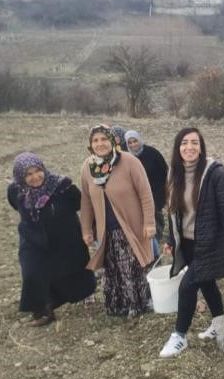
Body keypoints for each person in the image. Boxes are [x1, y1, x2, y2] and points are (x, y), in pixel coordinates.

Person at [160, 128, 224, 358]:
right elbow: (173, 211)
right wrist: (169, 239)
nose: (190, 147)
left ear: (201, 147)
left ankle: (179, 336)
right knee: (206, 283)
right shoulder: (173, 174)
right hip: (186, 242)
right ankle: (219, 322)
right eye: (184, 143)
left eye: (195, 142)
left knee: (187, 286)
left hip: (210, 243)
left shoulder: (215, 173)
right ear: (178, 148)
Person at [7, 153, 96, 327]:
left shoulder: (62, 186)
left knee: (70, 269)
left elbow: (81, 204)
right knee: (32, 272)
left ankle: (82, 295)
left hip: (65, 237)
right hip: (32, 239)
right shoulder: (15, 190)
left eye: (38, 171)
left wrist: (88, 229)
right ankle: (41, 310)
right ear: (20, 177)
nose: (35, 177)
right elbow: (16, 206)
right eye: (28, 174)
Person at [80, 124, 155, 317]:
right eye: (95, 140)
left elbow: (145, 194)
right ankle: (118, 305)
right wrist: (86, 229)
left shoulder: (129, 161)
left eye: (104, 139)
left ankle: (137, 304)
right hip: (105, 230)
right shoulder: (88, 167)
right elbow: (86, 201)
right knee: (112, 269)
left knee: (131, 267)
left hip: (131, 226)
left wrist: (149, 223)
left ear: (113, 141)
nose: (100, 144)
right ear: (90, 144)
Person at [124, 130, 169, 250]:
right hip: (136, 194)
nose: (133, 145)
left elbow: (165, 170)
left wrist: (165, 190)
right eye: (130, 143)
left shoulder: (152, 153)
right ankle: (146, 240)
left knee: (155, 214)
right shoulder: (126, 157)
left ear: (140, 140)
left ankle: (157, 236)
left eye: (135, 141)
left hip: (156, 191)